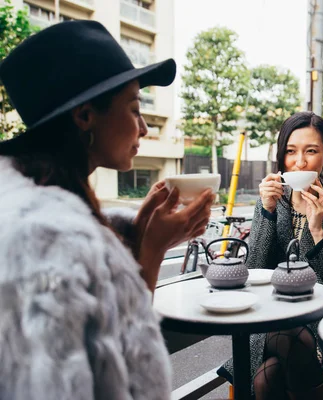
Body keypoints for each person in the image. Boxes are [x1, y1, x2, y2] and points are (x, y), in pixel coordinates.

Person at [0, 21, 214, 399]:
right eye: (134, 109)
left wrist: (147, 241)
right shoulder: (47, 237)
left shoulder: (43, 204)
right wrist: (150, 249)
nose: (144, 128)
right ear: (85, 117)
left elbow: (113, 347)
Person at [218, 112, 323, 399]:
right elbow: (253, 271)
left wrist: (317, 231)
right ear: (282, 158)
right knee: (281, 344)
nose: (300, 162)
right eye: (291, 152)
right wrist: (267, 213)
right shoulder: (270, 203)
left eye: (312, 151)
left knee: (265, 379)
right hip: (270, 322)